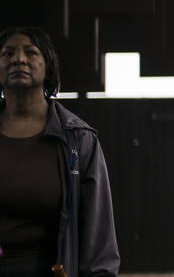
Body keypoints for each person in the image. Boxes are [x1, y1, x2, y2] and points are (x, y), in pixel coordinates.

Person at [0, 26, 120, 277]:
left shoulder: (78, 138)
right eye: (7, 53)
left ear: (48, 67)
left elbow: (98, 229)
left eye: (31, 52)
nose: (18, 59)